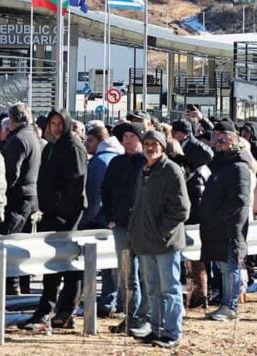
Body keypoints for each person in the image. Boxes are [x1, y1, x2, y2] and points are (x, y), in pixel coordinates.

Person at [20, 110, 87, 331]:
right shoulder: (51, 147)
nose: (56, 128)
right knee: (52, 267)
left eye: (60, 123)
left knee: (70, 266)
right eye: (53, 123)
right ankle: (47, 311)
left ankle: (64, 312)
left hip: (68, 217)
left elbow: (76, 186)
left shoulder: (73, 147)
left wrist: (63, 214)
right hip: (50, 215)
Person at [128, 130, 191, 349]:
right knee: (153, 289)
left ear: (163, 146)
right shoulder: (144, 170)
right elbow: (139, 206)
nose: (150, 148)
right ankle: (156, 329)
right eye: (146, 143)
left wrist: (161, 231)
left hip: (166, 243)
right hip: (146, 242)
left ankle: (172, 333)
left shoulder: (171, 170)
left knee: (170, 289)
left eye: (154, 144)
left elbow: (182, 209)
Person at [198, 121, 252, 322]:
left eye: (224, 138)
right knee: (223, 266)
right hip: (218, 226)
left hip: (230, 227)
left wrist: (218, 217)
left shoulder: (239, 167)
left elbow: (239, 200)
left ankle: (230, 306)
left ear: (235, 139)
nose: (219, 142)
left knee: (230, 267)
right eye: (217, 138)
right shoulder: (222, 164)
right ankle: (225, 304)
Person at [101, 123, 148, 335]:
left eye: (132, 136)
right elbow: (105, 190)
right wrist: (110, 217)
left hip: (143, 229)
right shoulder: (116, 163)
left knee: (146, 275)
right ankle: (130, 316)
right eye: (125, 137)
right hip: (120, 227)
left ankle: (144, 317)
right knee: (127, 276)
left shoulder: (148, 163)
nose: (128, 140)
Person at [0, 103, 41, 297]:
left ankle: (11, 286)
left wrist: (3, 192)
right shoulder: (33, 137)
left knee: (9, 241)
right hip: (31, 196)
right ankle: (22, 285)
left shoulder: (17, 140)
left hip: (18, 197)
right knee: (24, 242)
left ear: (12, 119)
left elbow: (11, 173)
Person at [83, 122, 121, 317]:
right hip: (115, 217)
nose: (86, 144)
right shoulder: (118, 156)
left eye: (89, 140)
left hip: (101, 219)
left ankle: (106, 302)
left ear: (99, 140)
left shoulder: (100, 161)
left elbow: (95, 195)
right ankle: (113, 300)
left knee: (106, 266)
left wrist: (86, 219)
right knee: (114, 264)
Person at [179, 124, 212, 310]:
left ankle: (199, 296)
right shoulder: (203, 169)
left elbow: (197, 197)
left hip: (194, 220)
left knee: (195, 261)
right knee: (195, 261)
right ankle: (197, 296)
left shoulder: (195, 171)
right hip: (198, 218)